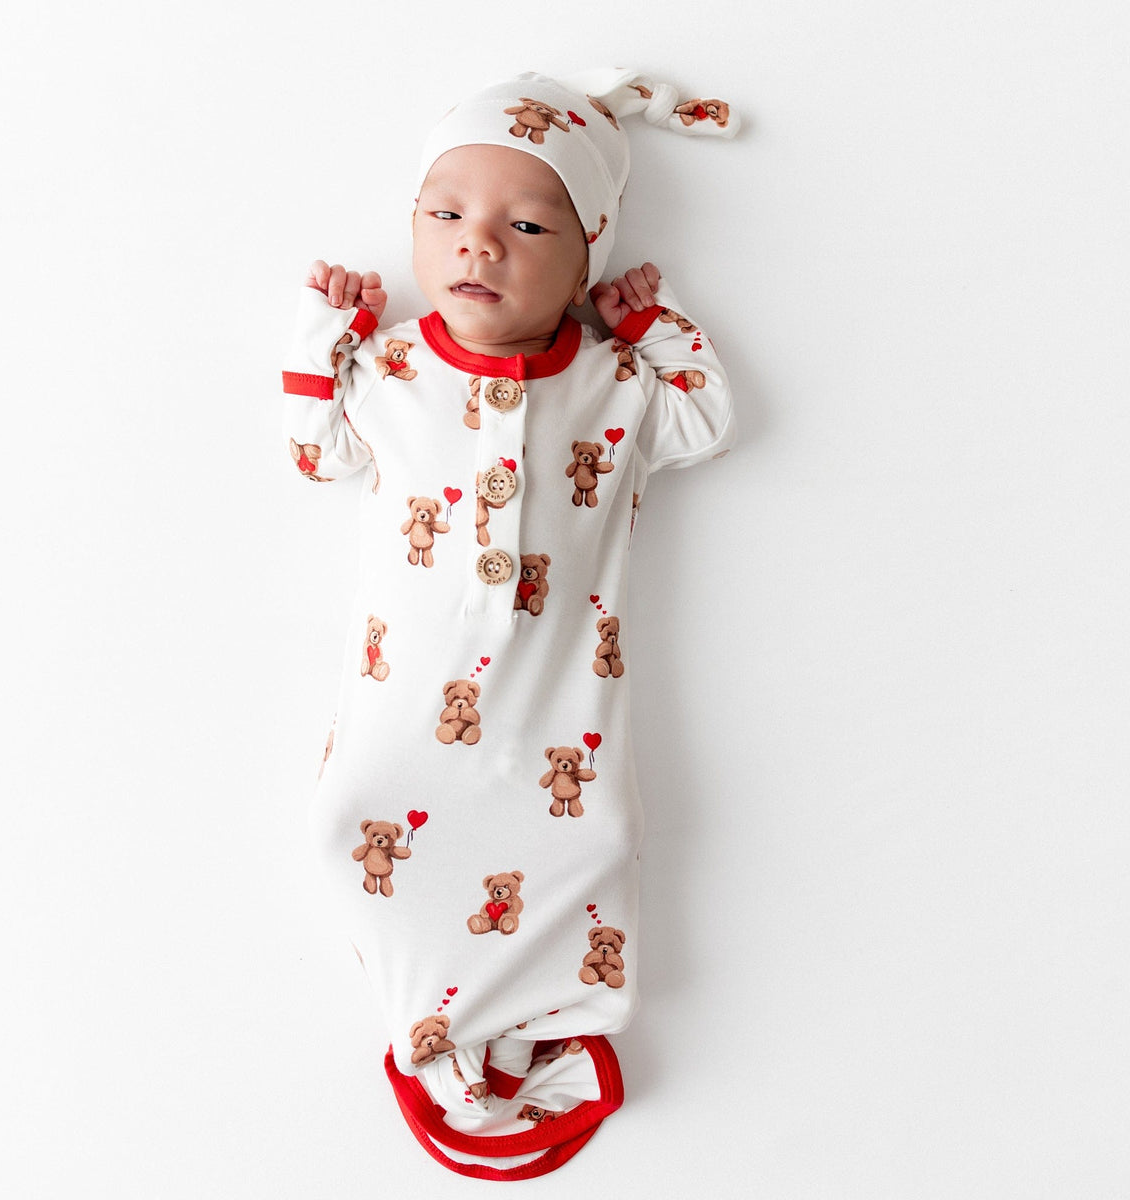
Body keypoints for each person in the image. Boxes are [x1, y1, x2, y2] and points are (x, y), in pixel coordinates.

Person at [282, 69, 739, 1179]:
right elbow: (315, 453)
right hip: (402, 706)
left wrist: (652, 323)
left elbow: (709, 422)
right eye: (445, 217)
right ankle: (425, 1028)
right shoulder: (389, 367)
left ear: (582, 257)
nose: (476, 244)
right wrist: (323, 334)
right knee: (349, 821)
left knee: (590, 837)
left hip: (556, 710)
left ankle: (551, 1021)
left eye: (525, 225)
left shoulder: (614, 383)